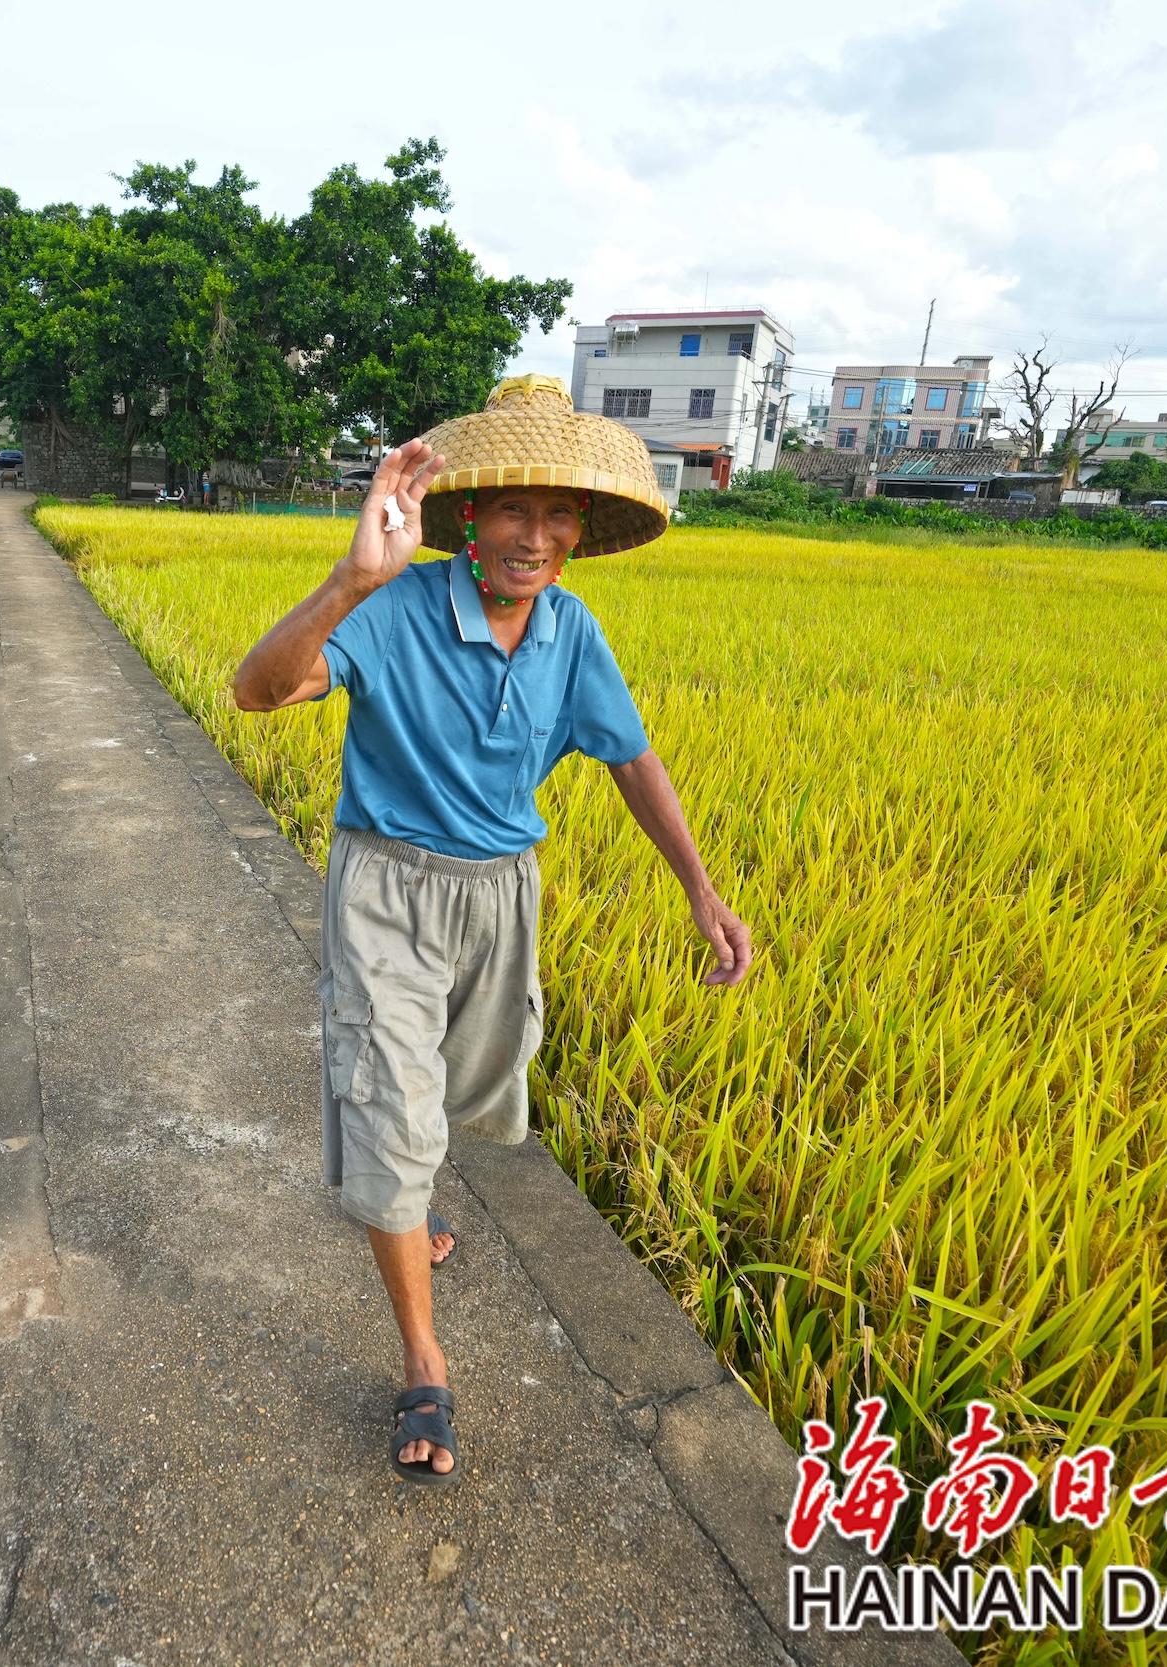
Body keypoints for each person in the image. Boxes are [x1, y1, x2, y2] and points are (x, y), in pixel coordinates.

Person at [231, 374, 753, 1485]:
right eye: (514, 508)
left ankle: (411, 1198)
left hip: (502, 892)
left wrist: (701, 892)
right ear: (467, 514)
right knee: (391, 1101)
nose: (536, 536)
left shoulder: (571, 630)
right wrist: (350, 579)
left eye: (560, 513)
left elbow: (631, 760)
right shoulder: (398, 606)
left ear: (582, 529)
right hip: (388, 887)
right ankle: (424, 1358)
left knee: (470, 1079)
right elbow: (256, 691)